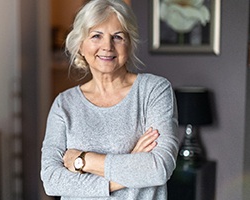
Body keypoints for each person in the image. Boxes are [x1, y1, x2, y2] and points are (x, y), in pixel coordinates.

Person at [40, 0, 179, 199]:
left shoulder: (153, 90)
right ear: (80, 45)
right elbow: (52, 181)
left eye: (118, 37)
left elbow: (159, 168)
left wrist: (83, 160)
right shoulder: (64, 105)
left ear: (129, 43)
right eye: (96, 36)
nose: (107, 46)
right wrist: (130, 168)